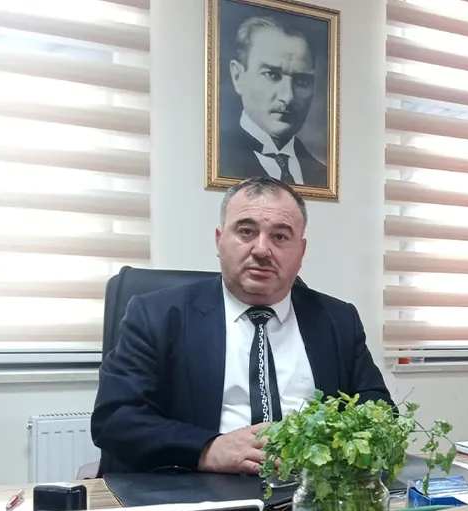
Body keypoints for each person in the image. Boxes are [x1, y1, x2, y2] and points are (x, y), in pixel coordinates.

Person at [92, 176, 389, 474]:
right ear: (219, 240)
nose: (261, 250)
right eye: (246, 231)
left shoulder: (338, 320)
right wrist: (207, 448)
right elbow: (116, 419)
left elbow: (380, 412)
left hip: (312, 487)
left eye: (280, 237)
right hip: (200, 484)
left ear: (301, 252)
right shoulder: (157, 314)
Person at [219, 16, 327, 187]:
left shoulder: (321, 174)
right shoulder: (219, 158)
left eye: (302, 81)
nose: (288, 96)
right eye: (271, 75)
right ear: (237, 77)